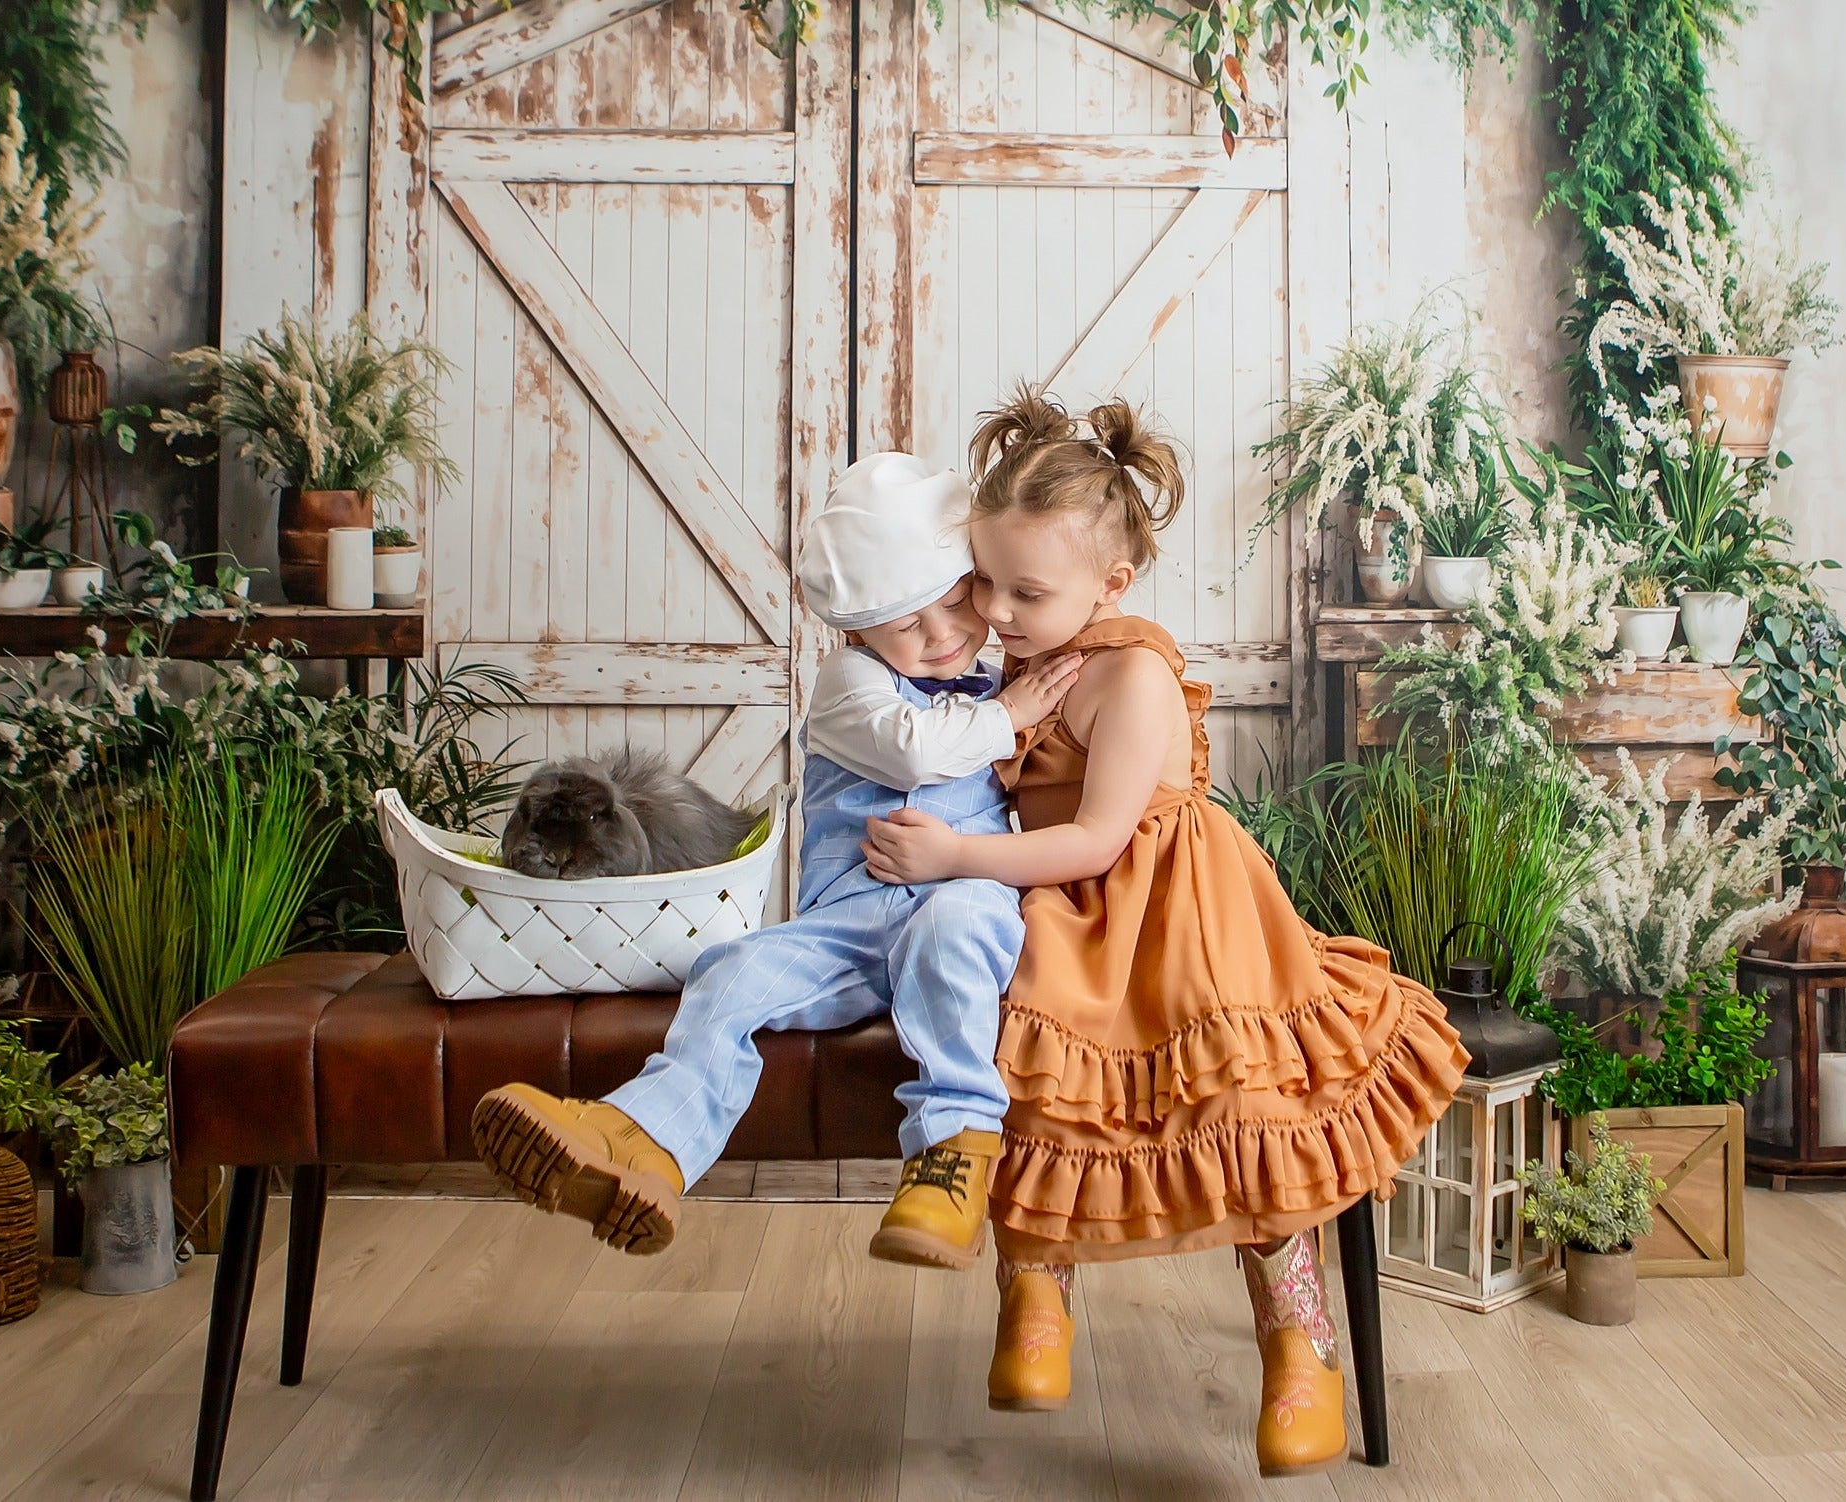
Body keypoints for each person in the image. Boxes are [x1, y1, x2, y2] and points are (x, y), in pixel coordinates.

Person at [860, 390, 1468, 1477]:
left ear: (1111, 585)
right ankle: (1036, 1300)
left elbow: (1097, 837)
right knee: (1034, 1077)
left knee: (1243, 1103)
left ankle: (1298, 1349)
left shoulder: (1129, 671)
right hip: (1064, 913)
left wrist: (950, 858)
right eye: (984, 579)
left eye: (1025, 590)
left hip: (1182, 913)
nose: (994, 608)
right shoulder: (1010, 659)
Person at [472, 452, 1080, 1271]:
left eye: (953, 602)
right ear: (854, 629)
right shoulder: (850, 683)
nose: (943, 636)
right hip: (848, 924)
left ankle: (952, 1156)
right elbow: (914, 750)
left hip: (958, 899)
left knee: (958, 928)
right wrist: (1010, 714)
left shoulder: (980, 674)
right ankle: (643, 1142)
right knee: (731, 970)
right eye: (909, 625)